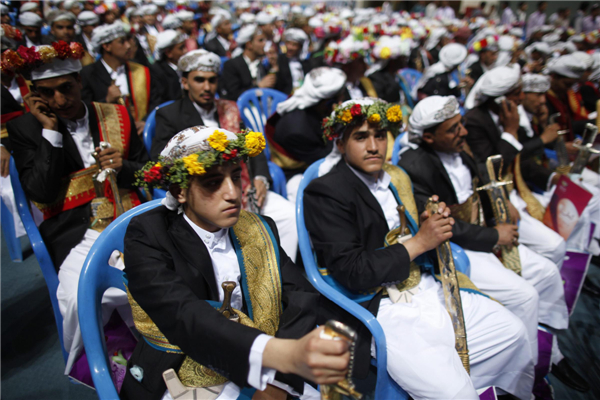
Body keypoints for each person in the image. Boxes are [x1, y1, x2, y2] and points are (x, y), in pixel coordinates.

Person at [304, 97, 535, 400]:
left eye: (380, 135)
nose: (374, 146)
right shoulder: (326, 191)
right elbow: (354, 272)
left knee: (513, 334)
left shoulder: (396, 177)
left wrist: (432, 224)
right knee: (454, 393)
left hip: (426, 282)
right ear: (341, 143)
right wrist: (420, 241)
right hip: (381, 301)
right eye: (360, 137)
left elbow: (414, 231)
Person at [123, 126, 350, 400]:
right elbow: (181, 313)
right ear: (179, 191)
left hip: (267, 363)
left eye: (235, 177)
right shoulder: (148, 233)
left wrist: (279, 381)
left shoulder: (257, 226)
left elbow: (300, 296)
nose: (232, 193)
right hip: (179, 370)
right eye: (211, 183)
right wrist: (280, 355)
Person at [398, 96, 592, 392]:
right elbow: (445, 225)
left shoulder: (457, 148)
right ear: (428, 136)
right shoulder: (413, 167)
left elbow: (477, 182)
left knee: (547, 272)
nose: (463, 132)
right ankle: (528, 376)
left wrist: (500, 202)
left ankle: (546, 350)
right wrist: (494, 236)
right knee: (526, 297)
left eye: (461, 124)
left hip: (483, 230)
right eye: (453, 129)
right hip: (459, 247)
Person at [5, 41, 148, 375]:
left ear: (80, 82)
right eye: (47, 93)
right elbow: (41, 191)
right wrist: (50, 133)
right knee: (76, 297)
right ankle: (106, 365)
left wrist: (123, 166)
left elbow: (145, 170)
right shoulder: (25, 129)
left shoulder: (116, 114)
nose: (59, 100)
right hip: (72, 231)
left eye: (66, 89)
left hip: (129, 215)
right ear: (35, 94)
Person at [151, 49, 299, 261]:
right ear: (185, 83)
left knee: (288, 215)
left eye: (212, 80)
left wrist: (260, 179)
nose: (207, 87)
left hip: (244, 187)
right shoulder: (170, 115)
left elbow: (251, 147)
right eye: (199, 80)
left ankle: (277, 272)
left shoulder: (230, 108)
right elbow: (162, 161)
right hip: (205, 194)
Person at [465, 65, 600, 256]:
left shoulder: (509, 114)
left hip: (519, 189)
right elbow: (486, 169)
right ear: (501, 99)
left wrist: (552, 177)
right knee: (553, 246)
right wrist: (510, 133)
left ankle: (582, 261)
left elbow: (521, 162)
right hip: (497, 198)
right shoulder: (475, 121)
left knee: (579, 208)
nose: (521, 98)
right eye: (517, 93)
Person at [267, 67, 346, 195]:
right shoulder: (298, 131)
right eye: (336, 100)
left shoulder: (314, 111)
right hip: (295, 174)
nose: (340, 103)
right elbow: (328, 159)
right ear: (325, 102)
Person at [81, 23, 161, 134]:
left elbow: (156, 101)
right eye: (122, 42)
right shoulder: (88, 74)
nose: (128, 46)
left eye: (128, 40)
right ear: (107, 46)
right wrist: (106, 101)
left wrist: (145, 122)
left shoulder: (139, 70)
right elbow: (83, 111)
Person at [220, 24, 277, 101]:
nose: (264, 44)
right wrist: (258, 87)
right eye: (260, 40)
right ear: (249, 44)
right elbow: (234, 94)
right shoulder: (232, 65)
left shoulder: (263, 64)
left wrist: (274, 68)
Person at [324, 35, 376, 101]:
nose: (365, 65)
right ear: (346, 67)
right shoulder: (337, 94)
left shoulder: (364, 83)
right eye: (360, 62)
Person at [366, 35, 410, 104]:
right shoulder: (376, 78)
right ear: (392, 61)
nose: (405, 60)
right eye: (402, 58)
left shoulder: (397, 76)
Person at [150, 30, 187, 103]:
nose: (185, 51)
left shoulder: (185, 67)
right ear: (169, 53)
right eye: (181, 48)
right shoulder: (157, 71)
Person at [279, 28, 311, 92]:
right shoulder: (280, 61)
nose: (290, 47)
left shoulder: (305, 62)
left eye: (294, 45)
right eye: (288, 43)